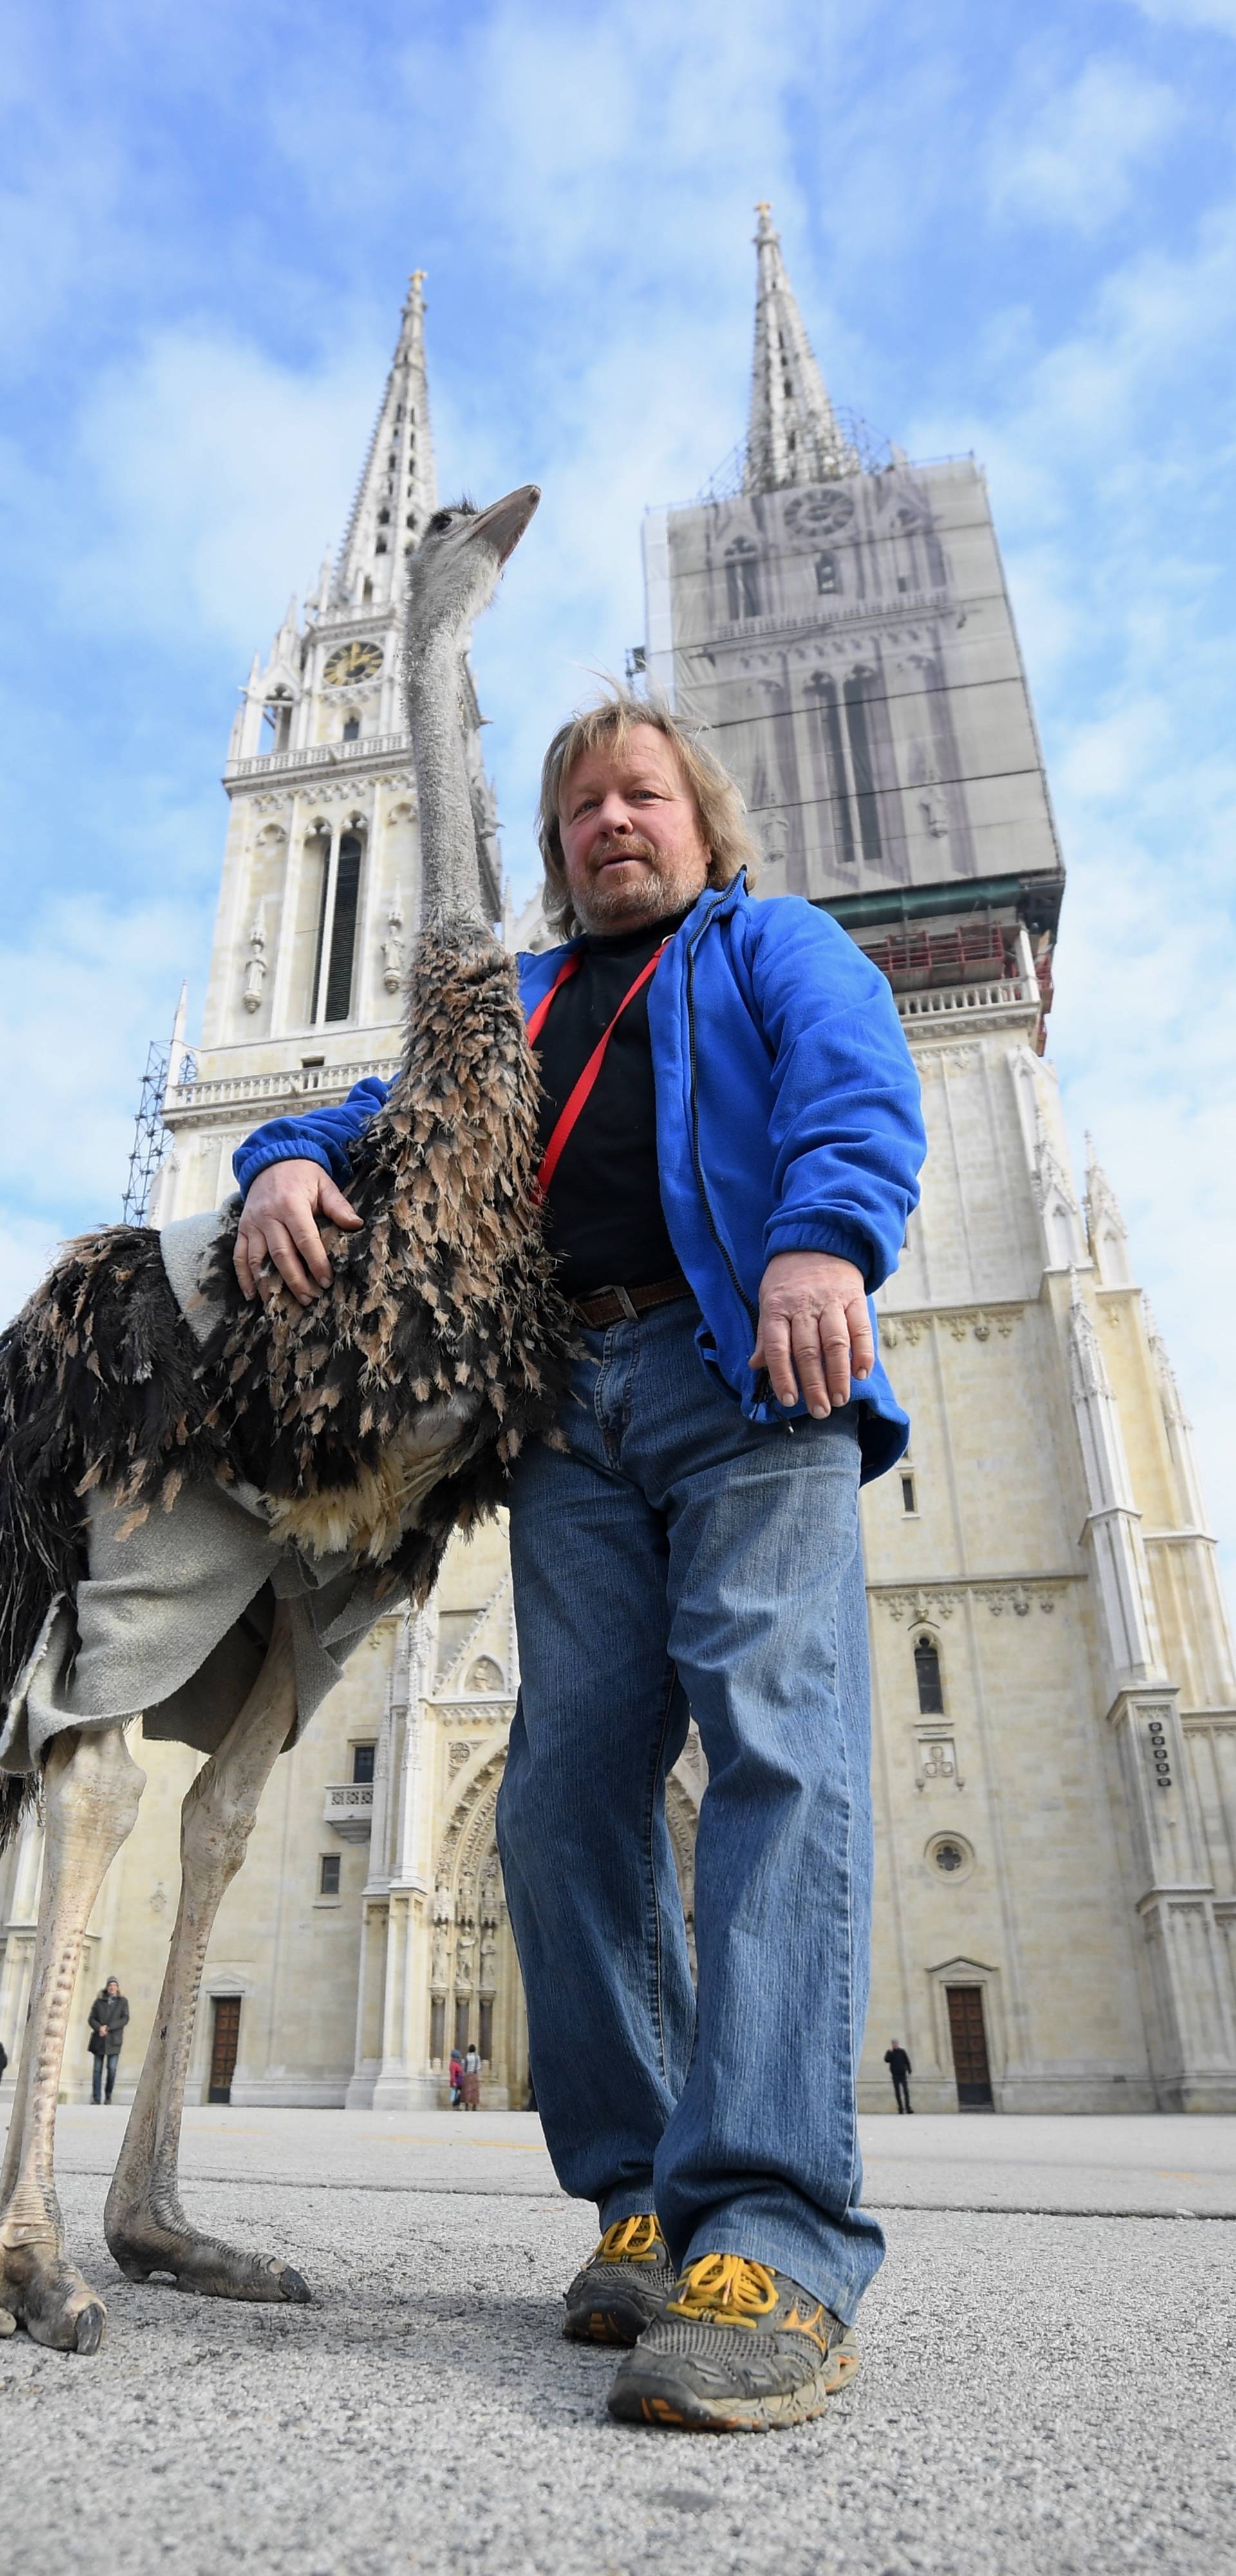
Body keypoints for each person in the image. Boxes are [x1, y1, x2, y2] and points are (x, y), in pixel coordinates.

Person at [232, 694, 925, 2434]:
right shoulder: (524, 1009)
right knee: (554, 1800)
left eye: (643, 796)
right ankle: (644, 2201)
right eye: (581, 810)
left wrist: (822, 1243)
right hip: (574, 1413)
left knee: (777, 1751)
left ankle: (774, 2239)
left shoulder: (771, 945)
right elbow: (380, 1118)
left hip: (748, 1370)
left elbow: (857, 1084)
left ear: (701, 821)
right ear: (553, 854)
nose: (612, 824)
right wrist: (281, 1164)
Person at [88, 1976, 129, 2106]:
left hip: (114, 2040)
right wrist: (99, 2028)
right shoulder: (99, 2001)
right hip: (99, 2039)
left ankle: (108, 2095)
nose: (112, 1987)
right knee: (97, 2070)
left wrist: (109, 2028)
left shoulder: (123, 2002)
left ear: (117, 1988)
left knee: (112, 2068)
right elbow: (91, 2018)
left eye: (114, 1985)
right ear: (107, 1987)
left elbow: (125, 2018)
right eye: (110, 1985)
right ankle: (96, 2097)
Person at [885, 2040, 913, 2114]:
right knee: (898, 2093)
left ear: (898, 2044)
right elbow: (886, 2060)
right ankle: (900, 2109)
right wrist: (890, 2052)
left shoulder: (902, 2052)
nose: (895, 2045)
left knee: (906, 2092)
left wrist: (909, 2072)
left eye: (896, 2044)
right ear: (892, 2045)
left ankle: (908, 2108)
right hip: (895, 2075)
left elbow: (907, 2061)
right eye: (894, 2044)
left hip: (903, 2075)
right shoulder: (890, 2052)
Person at [462, 2043, 482, 2112]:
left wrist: (464, 2074)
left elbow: (464, 2067)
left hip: (467, 2074)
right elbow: (479, 2067)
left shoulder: (466, 2057)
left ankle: (467, 2106)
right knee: (475, 2091)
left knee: (467, 2090)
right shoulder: (477, 2057)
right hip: (474, 2074)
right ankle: (474, 2106)